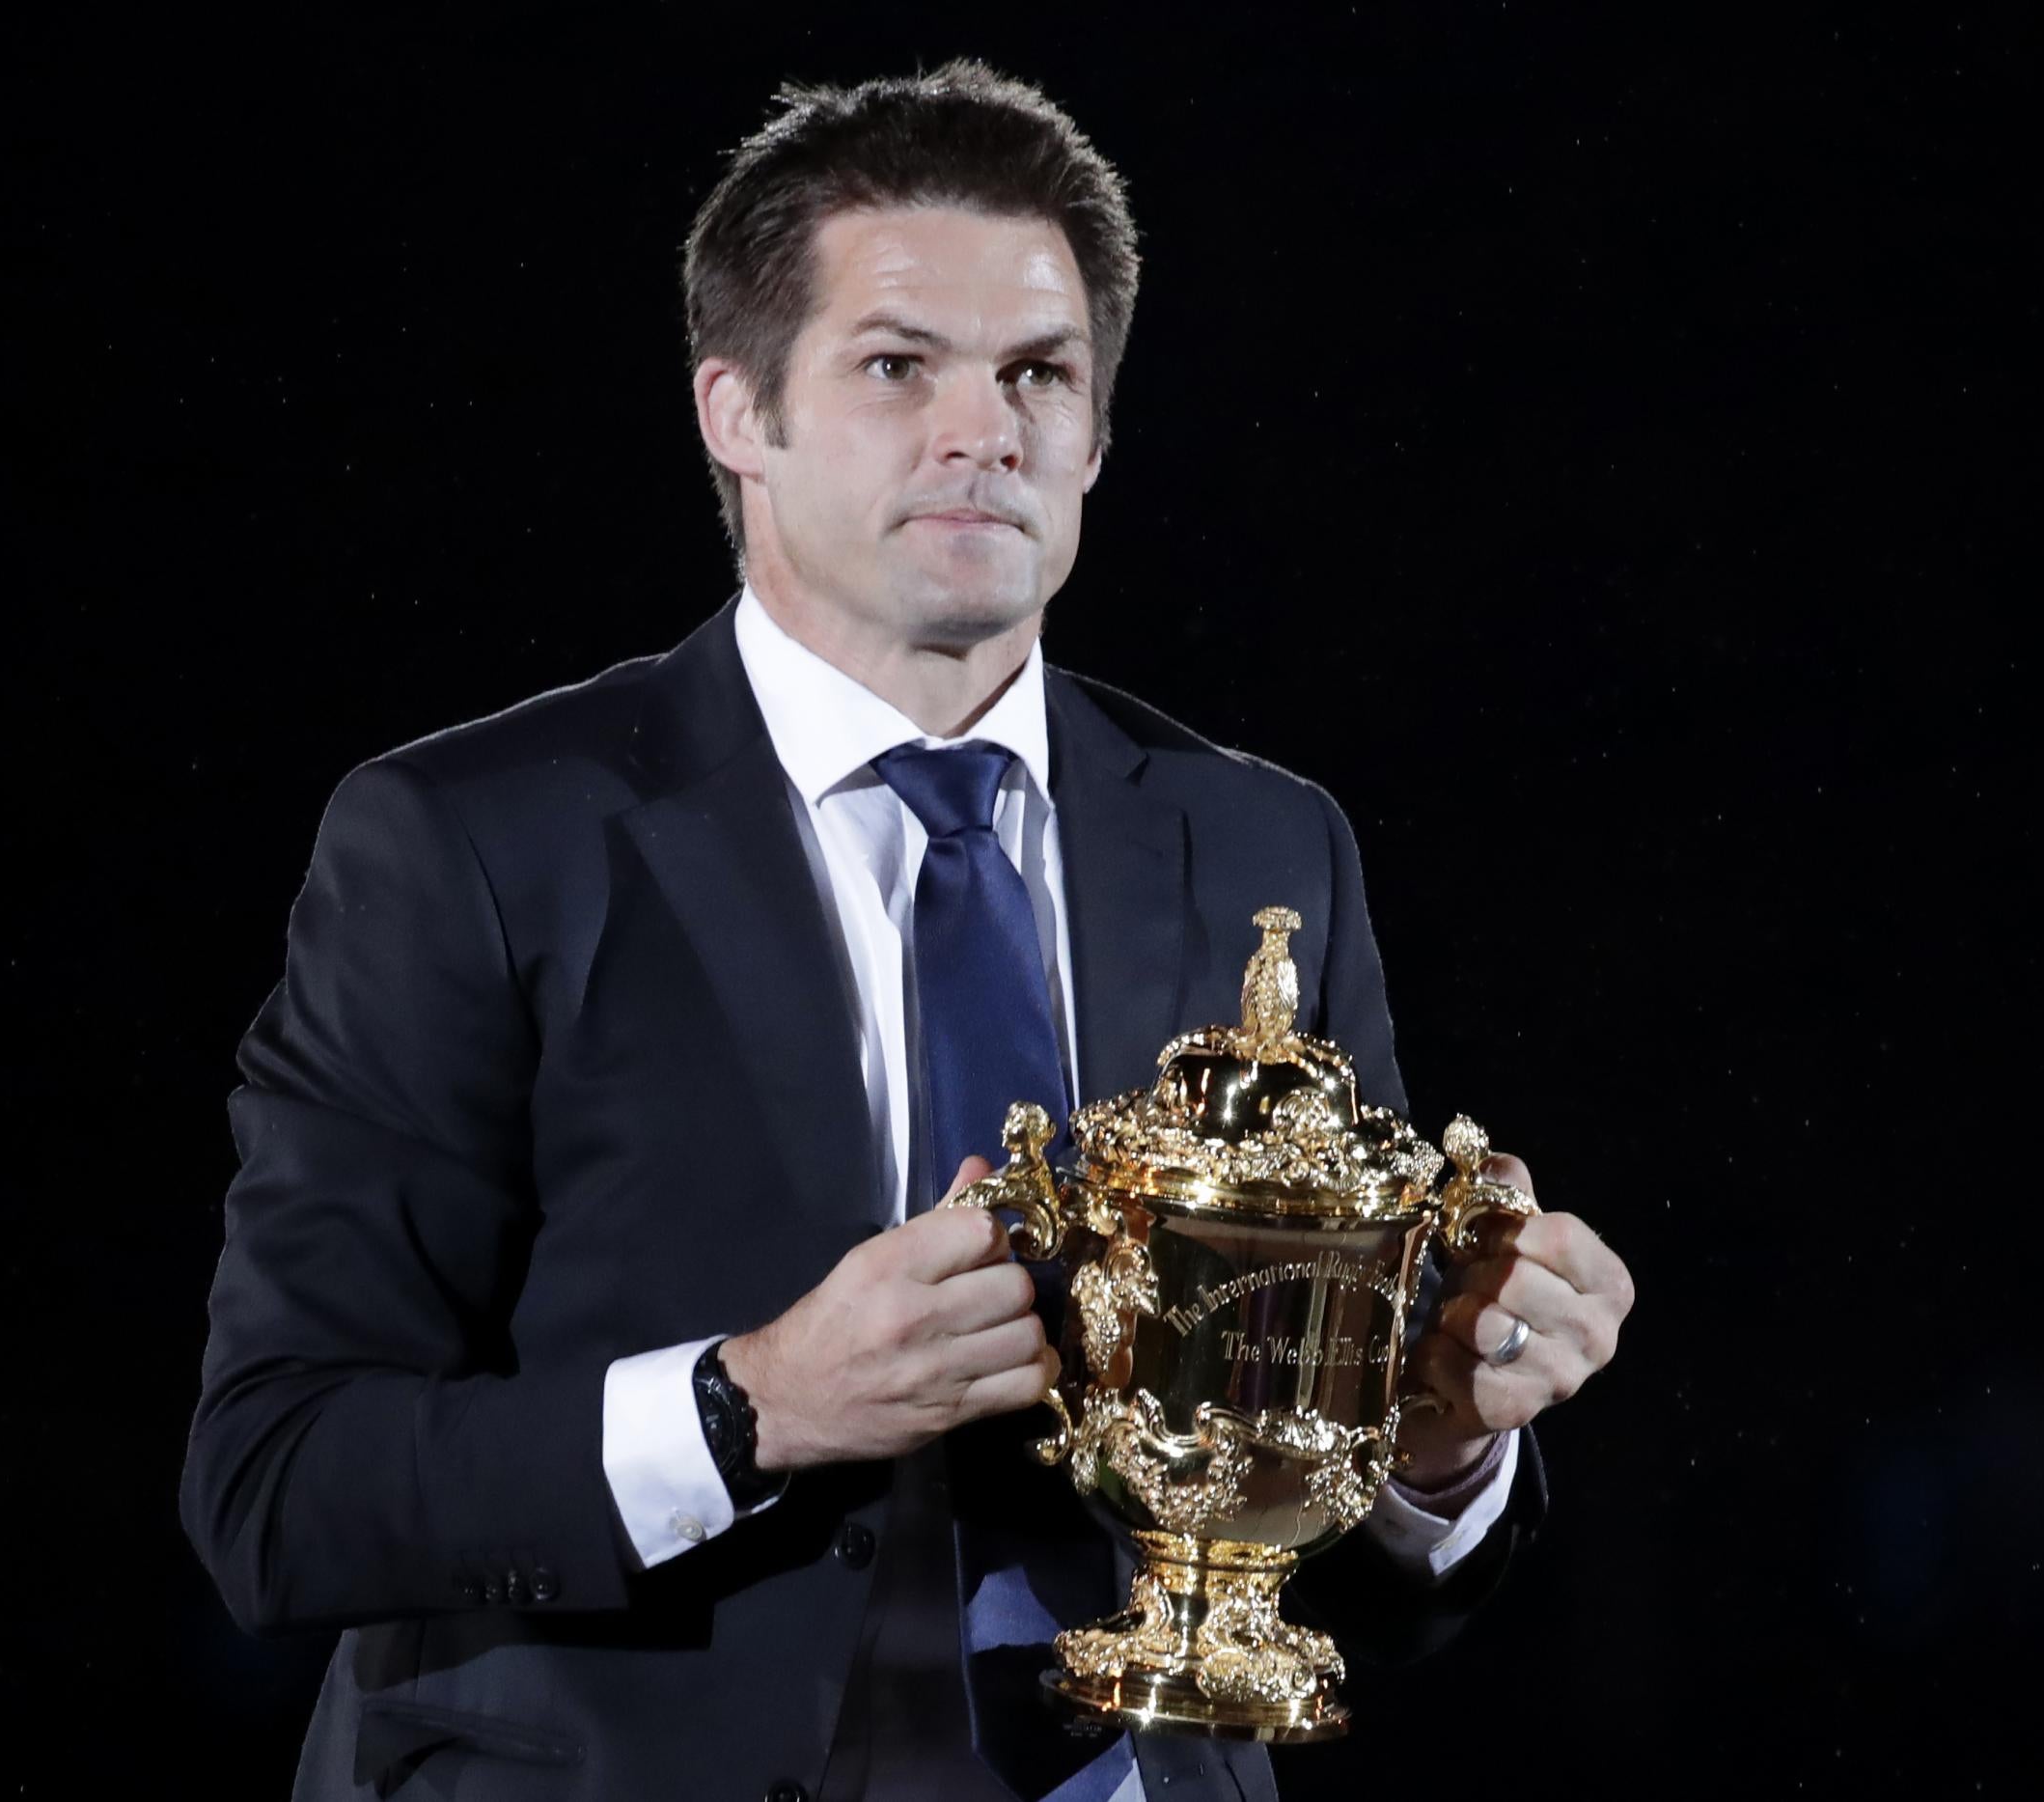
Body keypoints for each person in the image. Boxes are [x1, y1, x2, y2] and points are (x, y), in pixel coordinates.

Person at [179, 58, 1636, 1802]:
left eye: (1039, 374)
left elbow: (1340, 1571)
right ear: (738, 414)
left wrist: (1442, 1446)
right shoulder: (474, 841)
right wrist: (749, 1409)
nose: (984, 430)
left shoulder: (1262, 847)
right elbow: (281, 1487)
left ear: (1098, 433)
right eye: (896, 367)